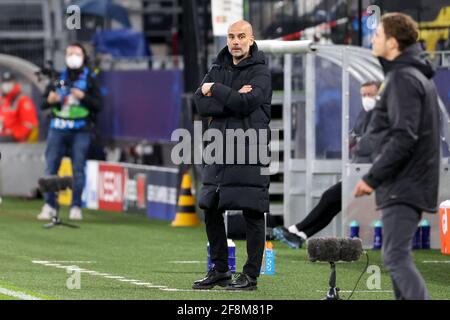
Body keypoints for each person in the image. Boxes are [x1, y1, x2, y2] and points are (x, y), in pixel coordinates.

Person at [353, 13, 440, 300]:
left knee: (394, 256)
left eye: (377, 34)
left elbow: (404, 136)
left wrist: (372, 178)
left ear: (392, 42)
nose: (373, 39)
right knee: (395, 255)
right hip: (406, 182)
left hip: (405, 183)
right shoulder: (406, 74)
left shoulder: (403, 78)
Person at [192, 20, 272, 291]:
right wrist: (231, 96)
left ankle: (250, 276)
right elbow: (200, 104)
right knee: (210, 207)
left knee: (252, 210)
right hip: (219, 148)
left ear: (251, 39)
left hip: (251, 147)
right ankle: (220, 270)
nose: (235, 41)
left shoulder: (261, 71)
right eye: (231, 36)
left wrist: (214, 89)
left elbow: (245, 102)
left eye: (241, 36)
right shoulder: (217, 66)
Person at [273, 81, 381, 249]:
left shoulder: (384, 116)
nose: (366, 99)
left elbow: (371, 143)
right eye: (363, 95)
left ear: (380, 95)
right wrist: (350, 141)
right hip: (359, 171)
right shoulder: (364, 114)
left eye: (370, 95)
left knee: (331, 198)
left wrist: (358, 143)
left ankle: (297, 230)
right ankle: (299, 234)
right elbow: (355, 136)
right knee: (332, 201)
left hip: (374, 173)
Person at [37, 43, 102, 221]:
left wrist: (84, 97)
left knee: (78, 169)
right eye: (70, 53)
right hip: (57, 129)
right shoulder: (59, 78)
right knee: (50, 167)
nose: (73, 56)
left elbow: (99, 105)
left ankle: (75, 207)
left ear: (83, 57)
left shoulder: (90, 79)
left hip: (81, 130)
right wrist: (51, 99)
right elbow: (43, 103)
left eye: (77, 53)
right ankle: (49, 205)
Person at [0, 72, 39, 142]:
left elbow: (29, 125)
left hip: (19, 140)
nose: (6, 85)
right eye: (4, 82)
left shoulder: (23, 100)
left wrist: (13, 134)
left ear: (14, 83)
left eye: (9, 82)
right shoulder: (3, 100)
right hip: (5, 136)